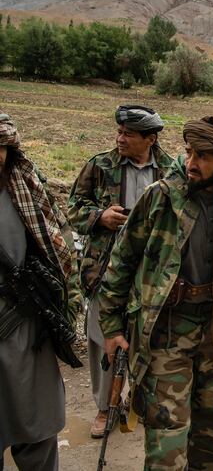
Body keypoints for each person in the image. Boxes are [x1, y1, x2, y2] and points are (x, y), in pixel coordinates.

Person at [97, 117, 213, 469]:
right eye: (189, 152)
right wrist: (112, 328)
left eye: (203, 157)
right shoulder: (163, 197)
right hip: (168, 329)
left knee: (211, 435)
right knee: (167, 444)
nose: (192, 163)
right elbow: (121, 262)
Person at [67, 105, 173, 438]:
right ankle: (105, 408)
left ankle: (138, 402)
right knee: (103, 339)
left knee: (149, 338)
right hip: (105, 270)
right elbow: (72, 208)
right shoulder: (100, 165)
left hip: (152, 276)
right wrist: (100, 216)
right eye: (119, 132)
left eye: (128, 134)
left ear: (150, 139)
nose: (120, 138)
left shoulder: (171, 171)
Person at [0, 113, 81, 471]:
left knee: (37, 428)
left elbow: (61, 250)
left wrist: (69, 305)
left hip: (25, 326)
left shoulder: (26, 187)